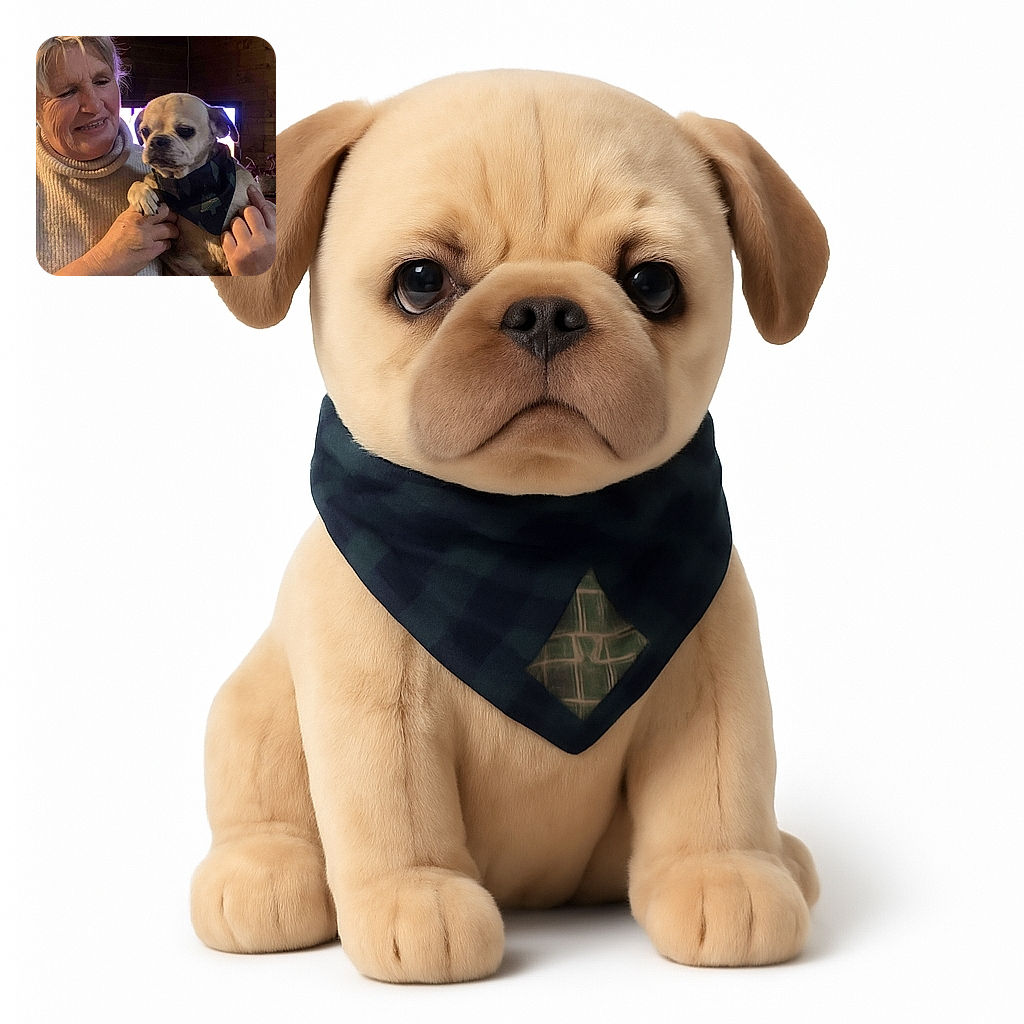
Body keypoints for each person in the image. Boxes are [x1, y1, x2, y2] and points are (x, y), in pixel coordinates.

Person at [36, 36, 275, 276]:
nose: (94, 105)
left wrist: (259, 271)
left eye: (102, 81)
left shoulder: (164, 173)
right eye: (67, 92)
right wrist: (101, 263)